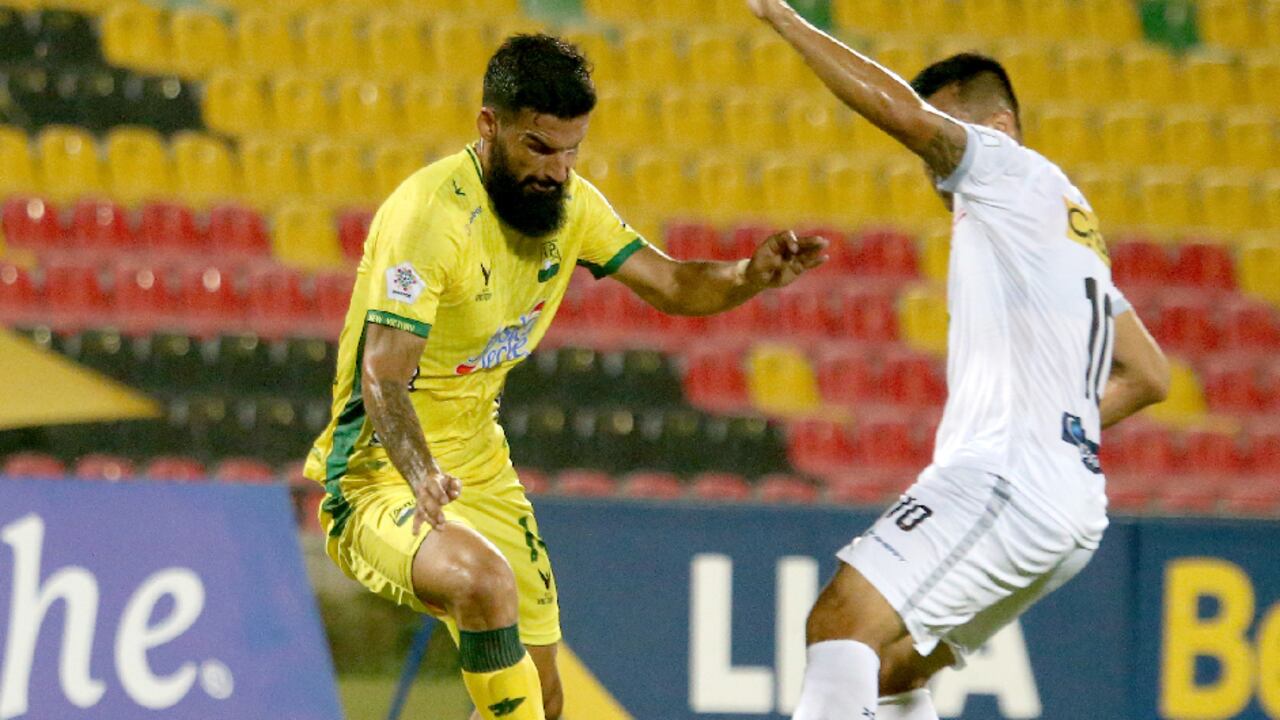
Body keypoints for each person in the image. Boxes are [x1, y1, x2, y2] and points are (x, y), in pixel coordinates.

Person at [303, 33, 827, 720]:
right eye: (539, 148)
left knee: (542, 704)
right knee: (483, 583)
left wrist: (748, 276)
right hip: (383, 475)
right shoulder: (430, 215)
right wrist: (422, 473)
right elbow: (382, 376)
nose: (558, 170)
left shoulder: (574, 207)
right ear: (488, 126)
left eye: (573, 149)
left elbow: (670, 283)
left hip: (482, 470)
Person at [744, 2, 1172, 718]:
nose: (934, 158)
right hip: (1068, 508)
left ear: (998, 128)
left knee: (838, 625)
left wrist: (783, 19)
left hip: (1005, 482)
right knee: (886, 669)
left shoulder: (1009, 167)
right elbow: (1149, 374)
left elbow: (898, 114)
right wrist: (1059, 432)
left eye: (945, 132)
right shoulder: (1070, 232)